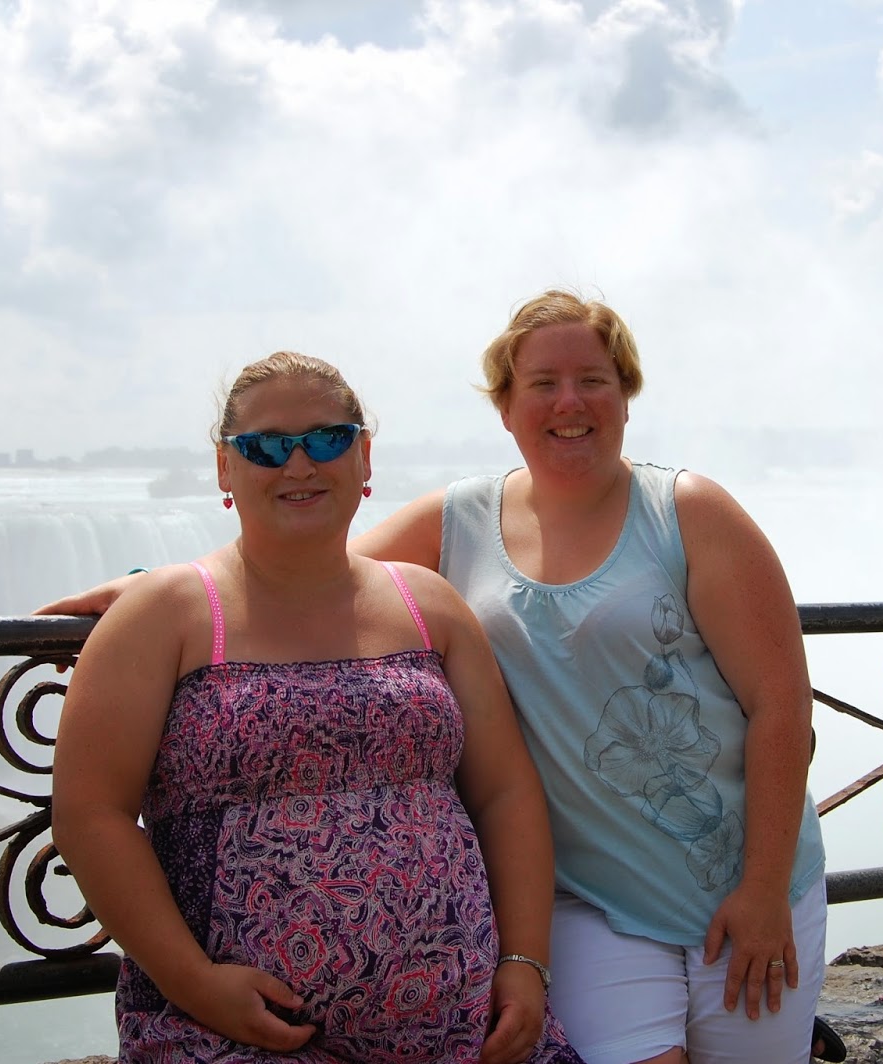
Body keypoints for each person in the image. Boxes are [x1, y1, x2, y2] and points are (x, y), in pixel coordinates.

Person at [44, 293, 839, 1064]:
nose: (569, 401)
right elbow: (294, 566)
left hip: (731, 877)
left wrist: (762, 889)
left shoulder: (683, 511)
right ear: (506, 406)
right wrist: (146, 592)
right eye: (543, 382)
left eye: (593, 379)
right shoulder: (459, 521)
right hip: (592, 899)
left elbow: (778, 706)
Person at [50, 351, 585, 1063]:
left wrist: (524, 962)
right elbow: (91, 813)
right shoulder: (164, 615)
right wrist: (195, 982)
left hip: (463, 1029)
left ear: (364, 457)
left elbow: (506, 792)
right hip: (234, 1033)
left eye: (327, 439)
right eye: (266, 447)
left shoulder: (428, 605)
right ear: (225, 468)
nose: (299, 464)